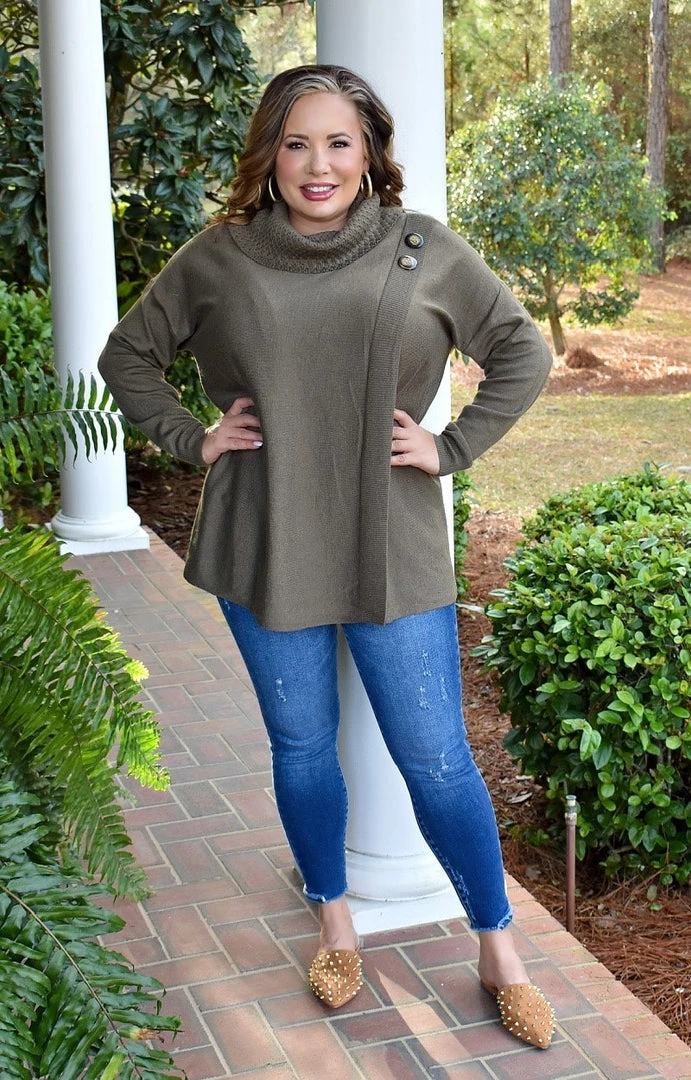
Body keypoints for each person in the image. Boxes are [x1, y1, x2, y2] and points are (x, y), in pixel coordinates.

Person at [99, 64, 555, 1049]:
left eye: (338, 142)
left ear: (368, 152)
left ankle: (498, 948)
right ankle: (335, 923)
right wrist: (193, 438)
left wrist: (451, 446)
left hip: (391, 540)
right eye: (295, 142)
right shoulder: (221, 256)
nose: (318, 164)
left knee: (435, 757)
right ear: (269, 153)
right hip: (265, 539)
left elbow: (523, 350)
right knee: (302, 746)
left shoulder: (422, 247)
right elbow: (126, 355)